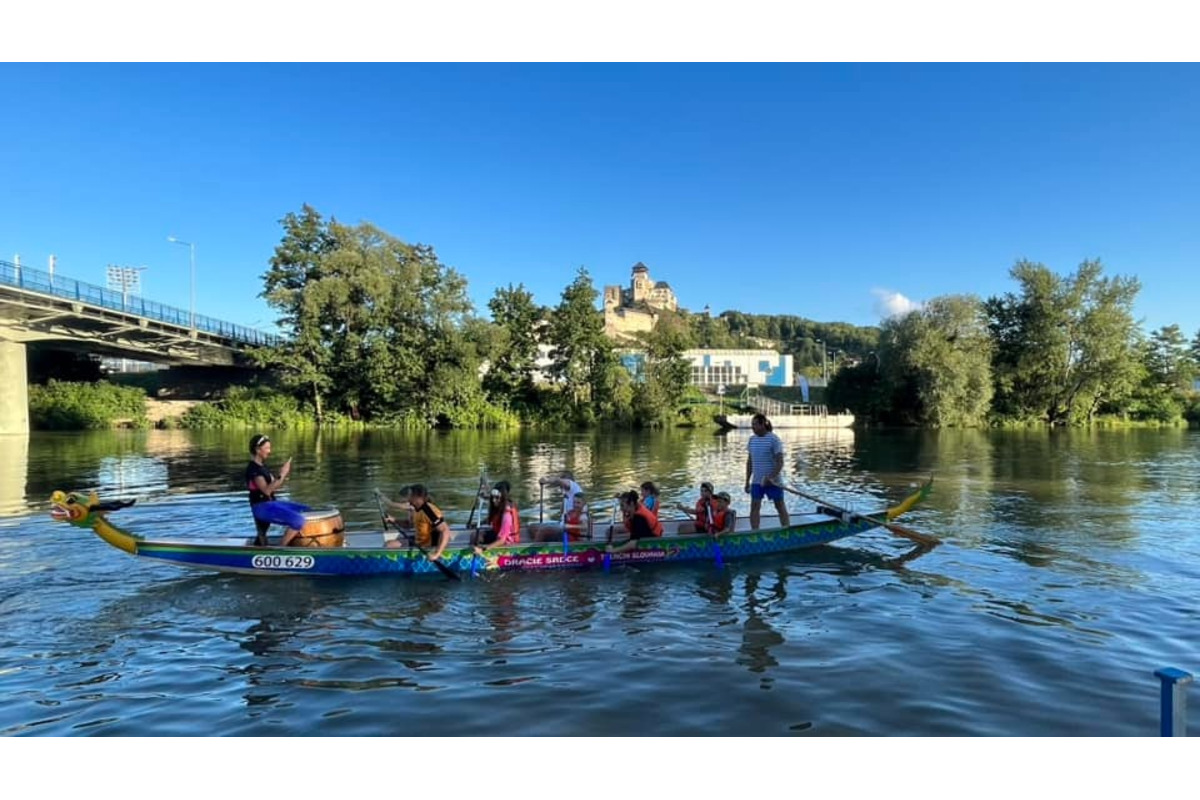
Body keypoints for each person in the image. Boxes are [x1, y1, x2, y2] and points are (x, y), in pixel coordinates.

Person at [244, 433, 308, 547]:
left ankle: (297, 540)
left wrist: (284, 475)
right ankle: (281, 548)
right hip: (262, 507)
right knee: (298, 521)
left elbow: (275, 485)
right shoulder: (253, 470)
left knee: (306, 510)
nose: (270, 451)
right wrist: (282, 474)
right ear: (258, 450)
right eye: (267, 448)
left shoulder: (262, 467)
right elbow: (267, 491)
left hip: (271, 504)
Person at [383, 484, 453, 561]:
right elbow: (409, 524)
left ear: (417, 497)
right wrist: (394, 520)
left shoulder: (429, 510)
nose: (408, 499)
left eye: (410, 496)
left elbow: (445, 531)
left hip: (428, 544)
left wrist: (436, 554)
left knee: (389, 545)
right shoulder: (416, 509)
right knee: (389, 544)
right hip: (418, 541)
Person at [744, 413, 790, 529]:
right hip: (757, 481)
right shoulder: (752, 440)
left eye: (755, 424)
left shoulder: (774, 440)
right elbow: (749, 462)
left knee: (779, 505)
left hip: (773, 481)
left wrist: (771, 477)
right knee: (754, 506)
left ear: (762, 424)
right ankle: (755, 532)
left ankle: (786, 528)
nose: (752, 427)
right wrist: (747, 481)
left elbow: (780, 462)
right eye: (752, 424)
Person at [527, 470, 583, 541]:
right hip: (561, 524)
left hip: (568, 528)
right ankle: (545, 546)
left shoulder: (574, 486)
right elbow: (562, 512)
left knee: (543, 531)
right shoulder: (566, 493)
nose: (560, 487)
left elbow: (558, 480)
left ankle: (534, 550)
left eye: (562, 484)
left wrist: (546, 480)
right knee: (532, 527)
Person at [606, 489, 664, 554]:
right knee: (610, 531)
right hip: (641, 532)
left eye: (622, 505)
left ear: (631, 503)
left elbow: (632, 545)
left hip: (652, 537)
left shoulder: (638, 519)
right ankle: (613, 545)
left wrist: (613, 551)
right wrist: (618, 498)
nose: (621, 508)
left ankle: (612, 548)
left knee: (626, 539)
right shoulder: (634, 508)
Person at [472, 480, 521, 550]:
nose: (494, 500)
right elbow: (493, 518)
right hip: (499, 534)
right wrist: (478, 523)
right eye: (493, 497)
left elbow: (502, 540)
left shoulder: (507, 515)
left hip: (507, 542)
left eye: (497, 498)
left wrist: (483, 549)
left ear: (503, 498)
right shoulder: (501, 506)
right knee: (474, 535)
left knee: (476, 538)